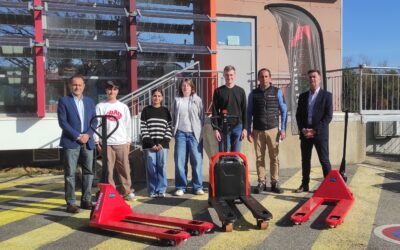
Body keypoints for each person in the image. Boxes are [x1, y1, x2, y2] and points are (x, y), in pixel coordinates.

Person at [57, 74, 96, 213]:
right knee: (70, 173)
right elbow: (63, 122)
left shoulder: (90, 102)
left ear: (84, 86)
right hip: (71, 141)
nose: (77, 87)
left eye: (80, 85)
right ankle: (71, 203)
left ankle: (86, 200)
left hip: (88, 141)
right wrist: (78, 135)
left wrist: (88, 135)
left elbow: (94, 121)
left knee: (88, 172)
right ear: (70, 86)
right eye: (74, 84)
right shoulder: (64, 101)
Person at [247, 68, 287, 194]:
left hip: (273, 129)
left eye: (266, 76)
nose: (264, 79)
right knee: (259, 158)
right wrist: (248, 130)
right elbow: (249, 113)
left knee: (274, 157)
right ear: (258, 78)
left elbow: (284, 110)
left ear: (270, 78)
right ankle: (261, 182)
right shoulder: (253, 94)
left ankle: (274, 182)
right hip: (258, 130)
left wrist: (283, 129)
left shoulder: (277, 92)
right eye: (261, 76)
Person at [94, 80, 135, 201]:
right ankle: (111, 193)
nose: (112, 91)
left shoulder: (123, 107)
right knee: (108, 170)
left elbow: (128, 125)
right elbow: (96, 125)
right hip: (107, 143)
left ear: (118, 91)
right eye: (109, 89)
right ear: (106, 90)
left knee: (124, 169)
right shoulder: (100, 106)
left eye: (114, 89)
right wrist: (97, 142)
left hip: (121, 142)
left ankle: (127, 192)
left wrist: (128, 141)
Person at [295, 69, 333, 193]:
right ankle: (304, 184)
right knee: (305, 160)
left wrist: (315, 130)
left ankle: (329, 187)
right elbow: (298, 115)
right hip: (305, 134)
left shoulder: (327, 96)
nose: (312, 79)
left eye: (314, 77)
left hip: (320, 134)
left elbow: (328, 116)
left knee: (324, 160)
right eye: (310, 77)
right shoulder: (303, 96)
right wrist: (303, 129)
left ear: (319, 78)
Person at [171, 78, 205, 196]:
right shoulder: (177, 100)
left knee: (196, 161)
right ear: (181, 88)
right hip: (180, 133)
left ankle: (197, 186)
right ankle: (181, 187)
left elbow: (202, 117)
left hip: (194, 134)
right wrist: (174, 131)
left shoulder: (197, 100)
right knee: (180, 161)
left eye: (188, 86)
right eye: (183, 86)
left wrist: (200, 133)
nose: (185, 88)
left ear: (192, 88)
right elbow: (173, 117)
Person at [140, 88, 172, 198]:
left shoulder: (166, 111)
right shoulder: (146, 110)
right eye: (154, 95)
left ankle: (161, 190)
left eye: (159, 96)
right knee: (151, 168)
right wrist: (151, 144)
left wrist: (162, 143)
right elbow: (143, 128)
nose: (156, 98)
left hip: (163, 145)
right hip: (149, 146)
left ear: (162, 98)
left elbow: (169, 128)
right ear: (151, 97)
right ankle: (152, 190)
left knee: (161, 167)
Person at [212, 65, 247, 152]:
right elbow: (215, 111)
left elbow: (244, 110)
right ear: (224, 75)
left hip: (238, 127)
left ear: (234, 75)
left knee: (236, 155)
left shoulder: (241, 91)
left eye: (231, 75)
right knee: (224, 155)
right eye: (227, 75)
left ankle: (235, 166)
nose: (229, 77)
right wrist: (216, 129)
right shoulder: (218, 91)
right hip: (223, 127)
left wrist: (245, 128)